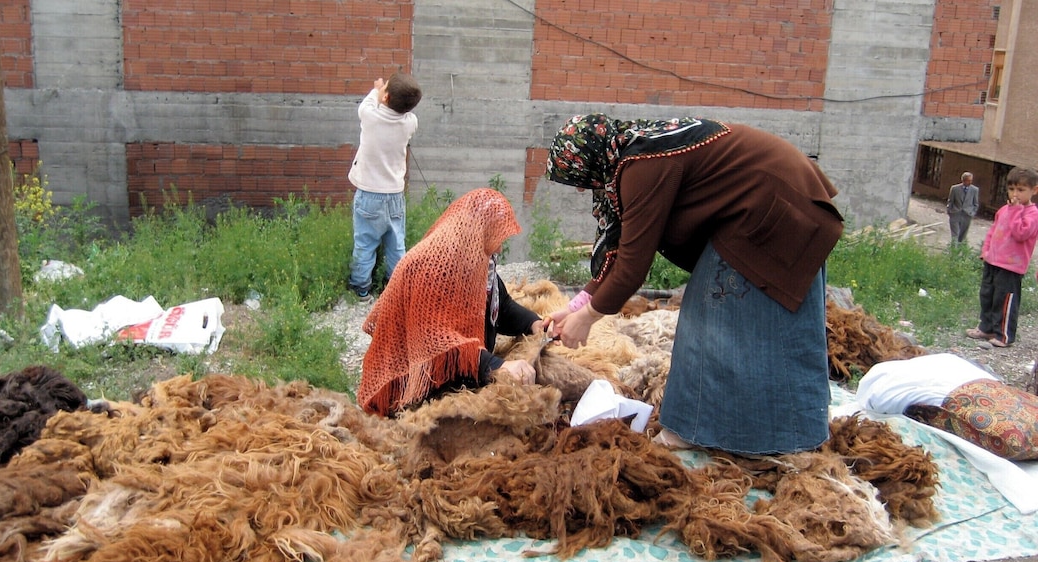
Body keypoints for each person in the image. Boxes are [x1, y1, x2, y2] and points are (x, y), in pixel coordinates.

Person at [544, 114, 844, 456]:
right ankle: (788, 430)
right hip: (779, 205)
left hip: (773, 214)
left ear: (592, 158)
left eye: (577, 176)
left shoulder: (642, 166)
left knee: (709, 322)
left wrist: (589, 317)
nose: (582, 187)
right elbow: (620, 249)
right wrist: (574, 308)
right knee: (769, 330)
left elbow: (632, 266)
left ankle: (699, 431)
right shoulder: (635, 149)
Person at [357, 188, 549, 417]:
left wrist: (534, 323)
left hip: (447, 368)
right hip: (411, 383)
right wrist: (497, 366)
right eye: (497, 238)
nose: (499, 248)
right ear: (479, 230)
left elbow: (501, 306)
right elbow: (436, 341)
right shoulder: (432, 266)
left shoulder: (475, 258)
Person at [347, 72, 422, 302]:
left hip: (369, 195)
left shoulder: (370, 116)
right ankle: (395, 288)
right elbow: (400, 110)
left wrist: (377, 89)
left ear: (386, 97)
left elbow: (368, 103)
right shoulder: (410, 123)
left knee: (365, 244)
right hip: (395, 195)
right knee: (396, 243)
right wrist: (387, 93)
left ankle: (361, 289)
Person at [966, 167, 1038, 348]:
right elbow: (993, 231)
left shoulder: (1032, 214)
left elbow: (1021, 233)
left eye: (1021, 190)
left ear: (1034, 190)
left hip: (1011, 266)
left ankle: (1004, 335)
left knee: (1004, 300)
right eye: (1012, 189)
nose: (1015, 194)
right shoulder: (1004, 210)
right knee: (987, 295)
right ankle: (986, 327)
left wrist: (1016, 211)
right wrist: (986, 250)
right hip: (993, 260)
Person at [947, 172, 980, 244]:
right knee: (955, 235)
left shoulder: (975, 190)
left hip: (967, 215)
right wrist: (950, 211)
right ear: (963, 180)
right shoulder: (955, 189)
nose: (970, 182)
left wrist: (972, 213)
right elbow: (950, 201)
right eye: (968, 180)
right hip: (955, 214)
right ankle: (953, 251)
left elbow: (975, 204)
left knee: (962, 237)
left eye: (971, 180)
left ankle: (959, 252)